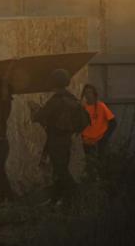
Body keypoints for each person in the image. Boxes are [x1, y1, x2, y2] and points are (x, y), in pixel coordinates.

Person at [31, 69, 91, 205]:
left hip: (56, 139)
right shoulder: (71, 98)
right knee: (59, 170)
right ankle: (57, 200)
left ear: (55, 82)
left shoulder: (56, 100)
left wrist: (34, 110)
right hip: (66, 139)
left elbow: (40, 116)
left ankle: (77, 196)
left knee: (60, 170)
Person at [81, 84, 116, 169]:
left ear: (94, 94)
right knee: (90, 166)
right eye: (86, 93)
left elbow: (113, 123)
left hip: (100, 142)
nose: (88, 95)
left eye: (90, 92)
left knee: (101, 166)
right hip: (87, 143)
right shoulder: (83, 108)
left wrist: (105, 137)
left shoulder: (101, 106)